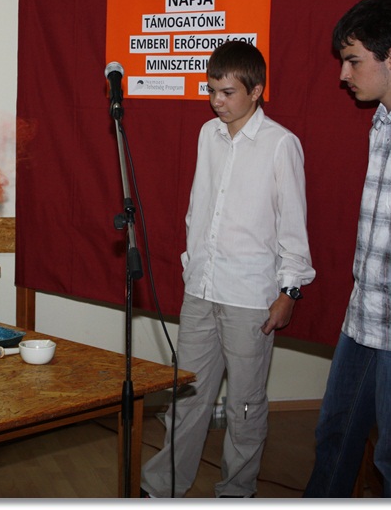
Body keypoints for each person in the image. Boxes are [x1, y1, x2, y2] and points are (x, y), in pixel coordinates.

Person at [140, 40, 315, 498]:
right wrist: (191, 264)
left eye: (227, 92)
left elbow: (293, 226)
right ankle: (162, 488)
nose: (216, 101)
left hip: (250, 297)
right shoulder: (208, 135)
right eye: (212, 90)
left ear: (256, 91)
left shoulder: (281, 144)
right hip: (201, 288)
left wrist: (289, 292)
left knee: (244, 405)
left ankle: (236, 493)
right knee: (186, 395)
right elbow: (198, 207)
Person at [303, 0, 391, 498]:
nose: (344, 74)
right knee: (335, 435)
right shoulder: (382, 122)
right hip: (363, 319)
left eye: (353, 60)